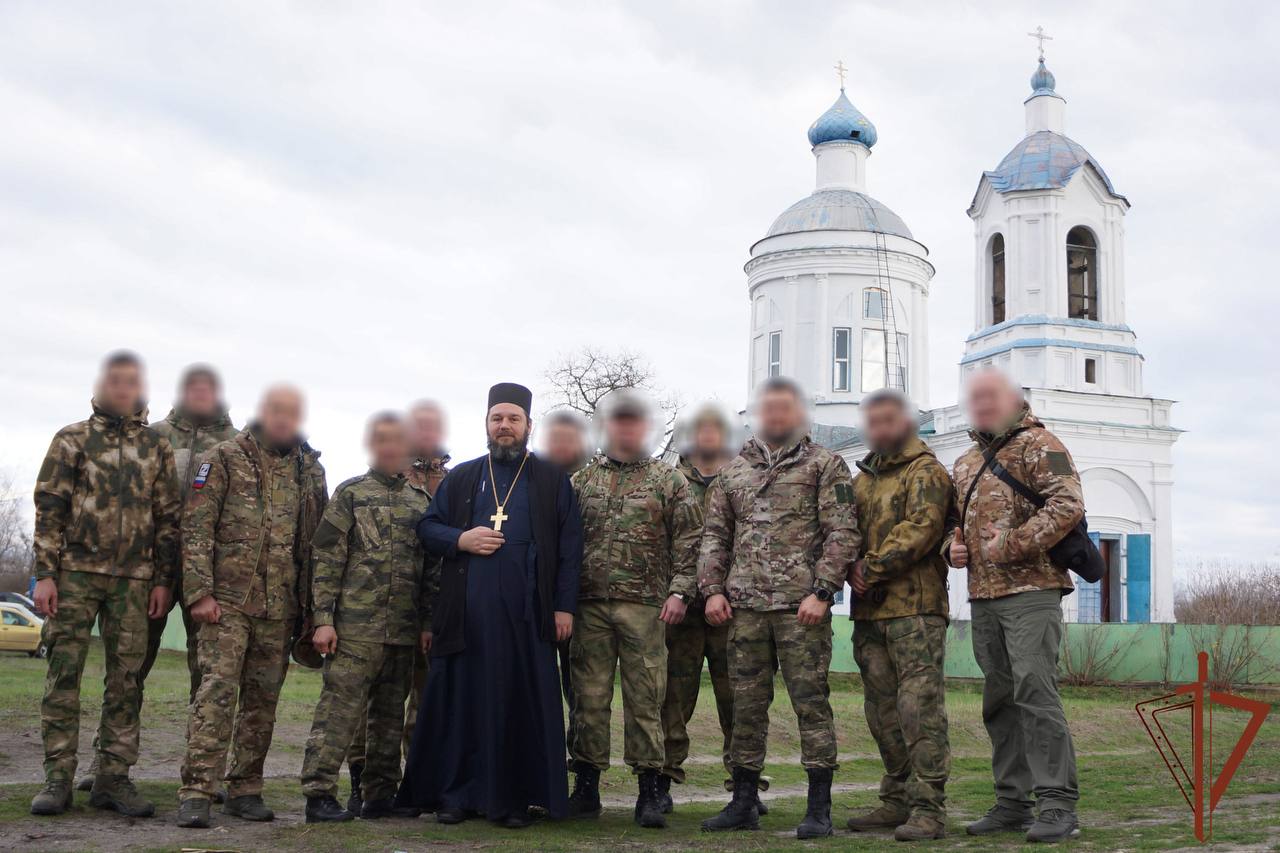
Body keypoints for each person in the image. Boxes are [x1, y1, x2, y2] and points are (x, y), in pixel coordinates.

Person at [396, 382, 581, 829]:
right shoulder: (462, 477)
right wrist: (461, 539)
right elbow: (427, 528)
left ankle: (515, 799)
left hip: (526, 619)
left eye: (513, 419)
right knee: (462, 705)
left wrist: (563, 609)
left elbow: (570, 551)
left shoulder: (553, 480)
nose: (505, 426)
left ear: (528, 426)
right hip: (466, 619)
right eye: (497, 418)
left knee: (518, 706)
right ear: (485, 425)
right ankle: (457, 796)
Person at [699, 376, 859, 839]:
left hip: (801, 609)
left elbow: (842, 532)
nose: (775, 416)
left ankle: (818, 808)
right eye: (767, 409)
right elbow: (715, 536)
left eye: (784, 409)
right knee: (745, 707)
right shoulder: (734, 472)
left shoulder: (825, 465)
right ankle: (744, 801)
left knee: (811, 705)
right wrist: (712, 589)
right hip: (744, 609)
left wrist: (824, 592)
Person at [29, 351, 181, 818]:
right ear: (101, 385)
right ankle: (58, 778)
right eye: (115, 380)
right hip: (74, 576)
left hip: (134, 583)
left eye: (131, 382)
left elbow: (168, 520)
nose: (123, 388)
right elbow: (49, 507)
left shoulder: (156, 447)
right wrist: (46, 574)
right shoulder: (71, 440)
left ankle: (113, 778)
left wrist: (163, 582)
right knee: (64, 676)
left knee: (126, 681)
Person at [176, 385, 328, 829]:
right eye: (277, 411)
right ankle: (197, 790)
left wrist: (313, 610)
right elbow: (197, 525)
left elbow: (317, 542)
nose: (284, 420)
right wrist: (199, 591)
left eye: (293, 413)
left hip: (280, 605)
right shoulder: (223, 457)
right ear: (262, 412)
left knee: (263, 702)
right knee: (217, 694)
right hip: (227, 602)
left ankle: (245, 788)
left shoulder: (310, 469)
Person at [944, 368, 1084, 843]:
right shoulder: (964, 462)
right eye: (975, 397)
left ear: (1013, 399)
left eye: (991, 396)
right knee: (1000, 701)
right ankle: (1011, 802)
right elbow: (952, 524)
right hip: (984, 597)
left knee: (1034, 691)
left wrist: (1013, 543)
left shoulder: (1041, 445)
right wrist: (952, 549)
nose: (981, 404)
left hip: (1032, 591)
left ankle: (1057, 803)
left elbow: (1067, 505)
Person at [566, 389, 702, 829]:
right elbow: (563, 544)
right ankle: (586, 787)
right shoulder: (582, 481)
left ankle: (649, 790)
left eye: (633, 422)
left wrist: (681, 591)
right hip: (589, 606)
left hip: (645, 607)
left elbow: (690, 541)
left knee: (646, 699)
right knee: (588, 698)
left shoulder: (668, 481)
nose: (625, 429)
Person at [299, 413, 434, 822]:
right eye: (383, 441)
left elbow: (430, 574)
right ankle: (319, 793)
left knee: (389, 719)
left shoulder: (422, 504)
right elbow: (325, 558)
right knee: (338, 713)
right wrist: (323, 618)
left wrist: (426, 624)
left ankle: (379, 795)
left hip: (402, 632)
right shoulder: (351, 494)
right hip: (355, 631)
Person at [845, 388, 953, 841]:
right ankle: (897, 798)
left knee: (918, 709)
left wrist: (868, 567)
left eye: (889, 420)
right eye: (873, 422)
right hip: (870, 613)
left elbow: (921, 529)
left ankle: (929, 808)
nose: (880, 429)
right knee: (881, 711)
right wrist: (844, 565)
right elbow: (843, 529)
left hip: (916, 610)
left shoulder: (926, 471)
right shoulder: (863, 478)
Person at [658, 402, 742, 813]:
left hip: (734, 609)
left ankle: (743, 784)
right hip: (682, 611)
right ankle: (663, 779)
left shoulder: (745, 478)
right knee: (673, 696)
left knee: (739, 699)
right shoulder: (670, 481)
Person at [538, 407, 593, 764]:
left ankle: (580, 760)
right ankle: (543, 755)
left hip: (583, 603)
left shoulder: (594, 479)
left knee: (581, 688)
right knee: (540, 685)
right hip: (538, 598)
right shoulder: (532, 479)